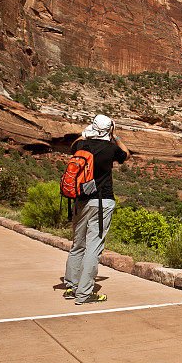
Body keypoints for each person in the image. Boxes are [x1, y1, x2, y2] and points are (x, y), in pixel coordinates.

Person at [64, 114, 129, 304]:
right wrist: (114, 135)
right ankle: (84, 294)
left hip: (80, 201)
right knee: (94, 246)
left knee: (77, 245)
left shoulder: (81, 146)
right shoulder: (110, 149)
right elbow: (126, 153)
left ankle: (71, 287)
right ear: (109, 129)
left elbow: (74, 143)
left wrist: (87, 131)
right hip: (102, 203)